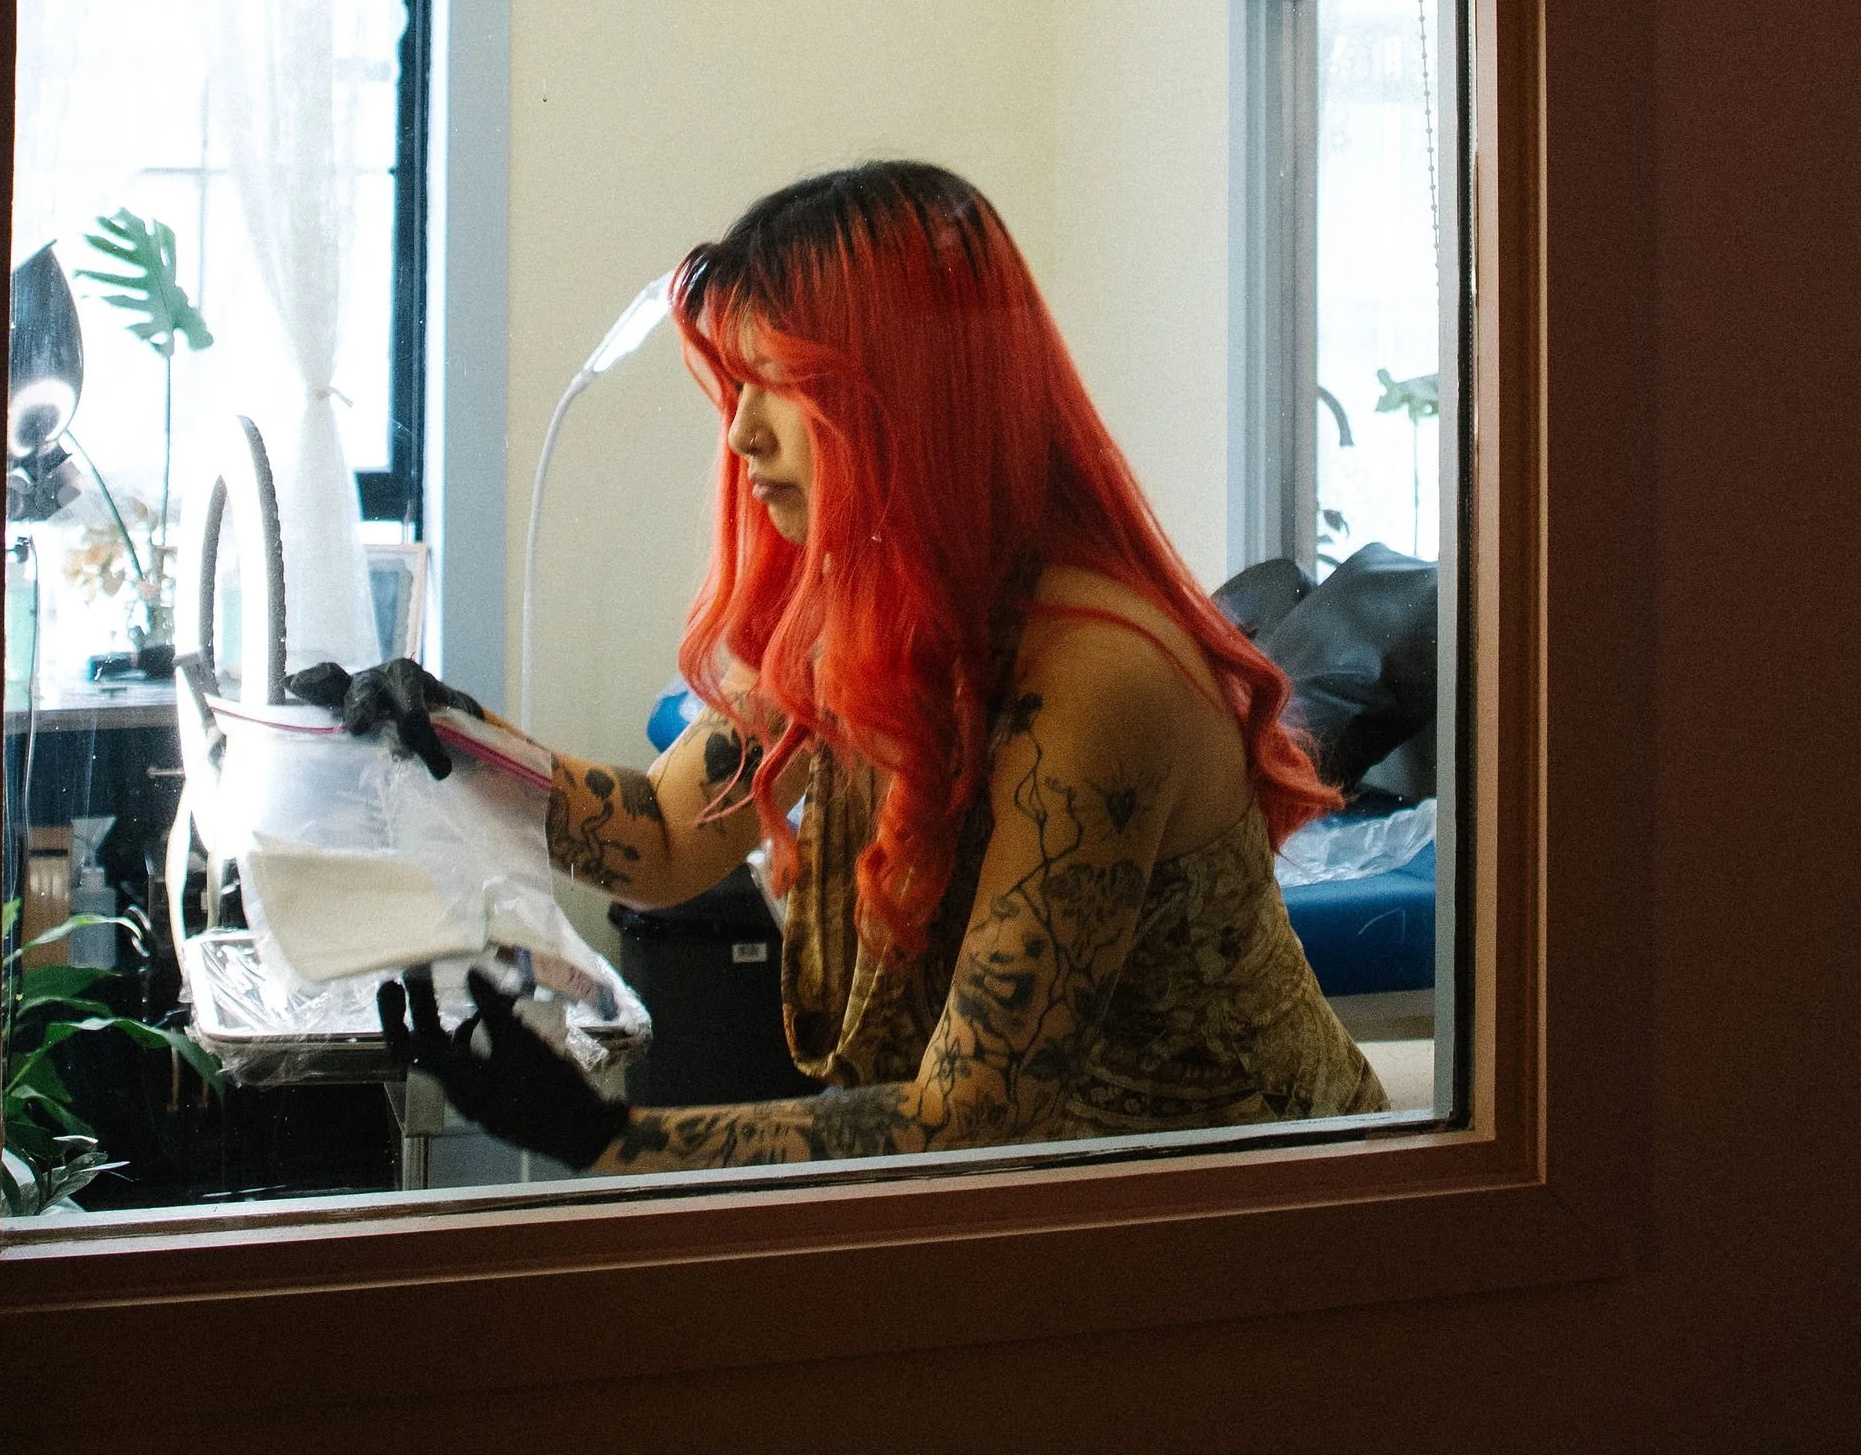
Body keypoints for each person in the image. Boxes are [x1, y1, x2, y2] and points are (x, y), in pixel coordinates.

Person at [328, 159, 1386, 1171]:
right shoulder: (865, 611)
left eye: (780, 380)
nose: (740, 432)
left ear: (913, 395)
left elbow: (970, 1118)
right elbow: (659, 837)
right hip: (1069, 1199)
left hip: (1256, 1205)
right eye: (737, 382)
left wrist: (608, 1140)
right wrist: (453, 739)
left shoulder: (1096, 679)